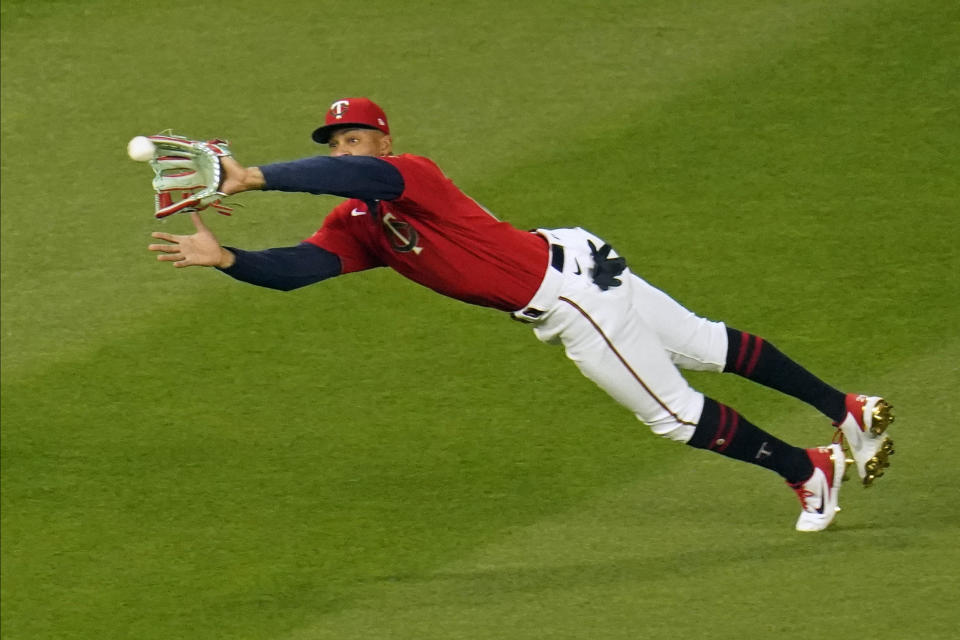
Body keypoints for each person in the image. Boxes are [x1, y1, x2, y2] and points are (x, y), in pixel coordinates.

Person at [148, 97, 895, 532]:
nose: (346, 147)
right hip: (572, 255)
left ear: (382, 140)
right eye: (336, 138)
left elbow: (355, 176)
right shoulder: (357, 225)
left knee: (673, 412)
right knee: (703, 342)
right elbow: (301, 269)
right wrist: (231, 261)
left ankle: (811, 469)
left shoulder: (407, 174)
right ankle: (846, 409)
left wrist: (256, 176)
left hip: (566, 295)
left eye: (355, 136)